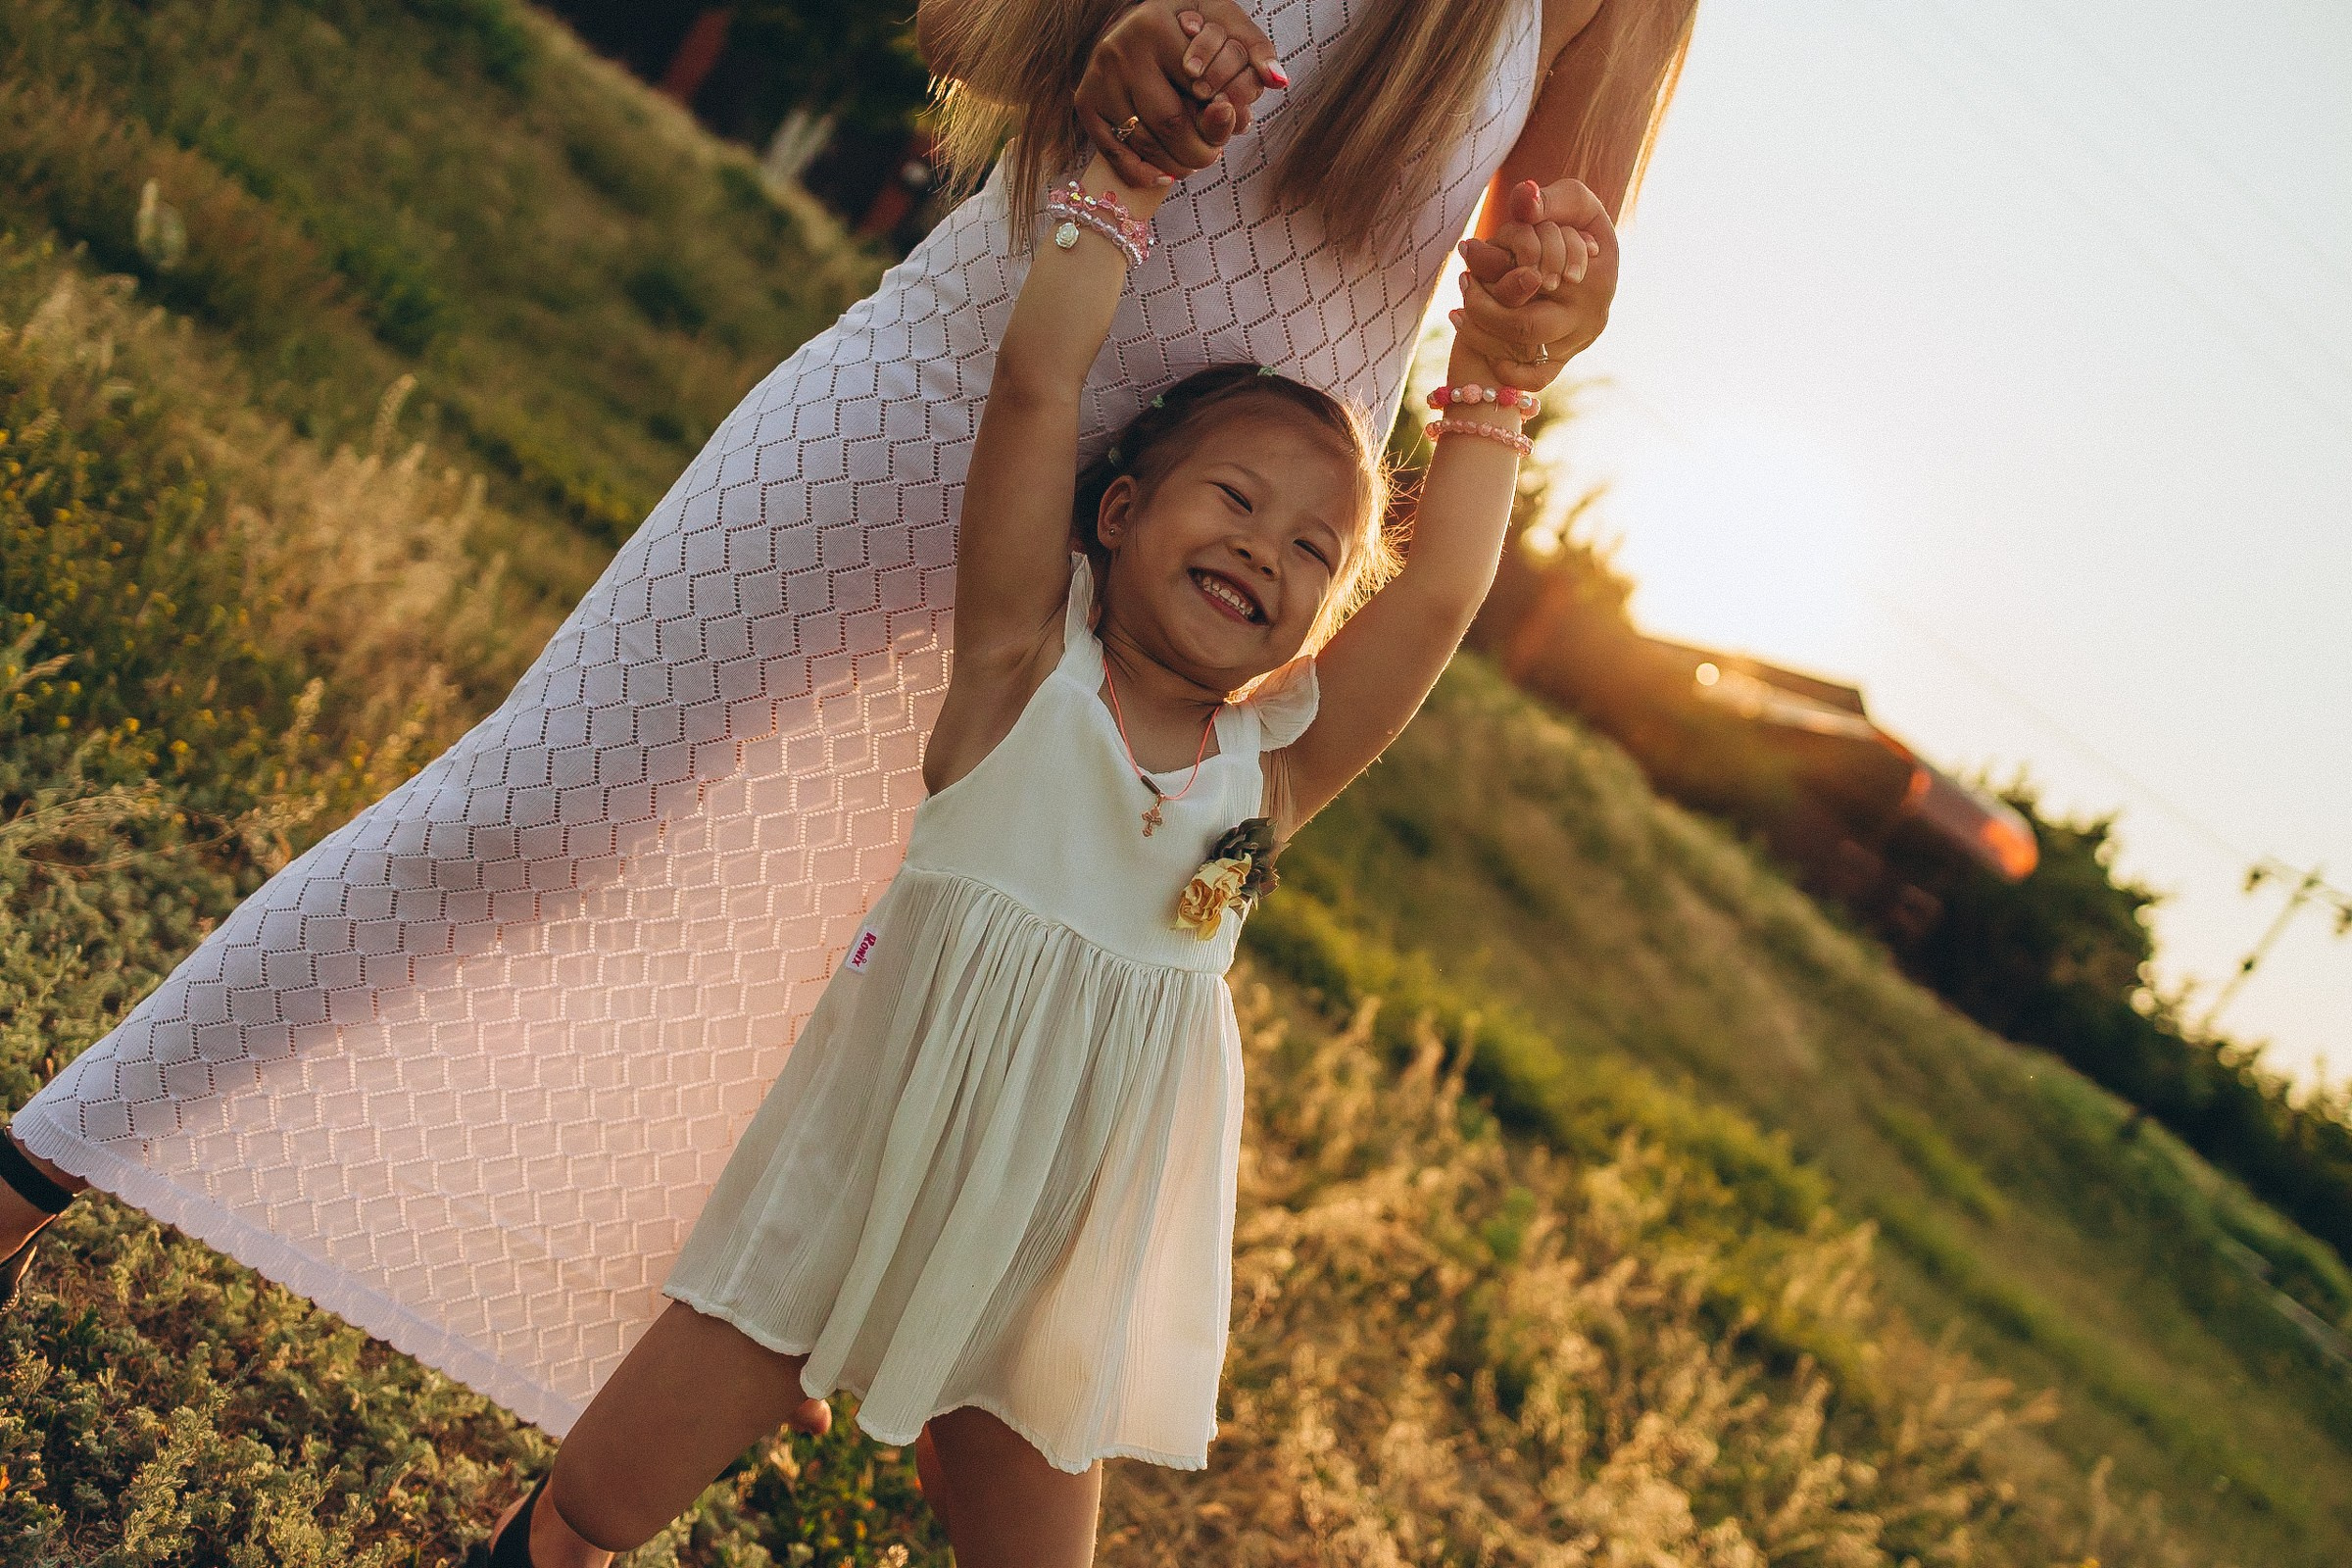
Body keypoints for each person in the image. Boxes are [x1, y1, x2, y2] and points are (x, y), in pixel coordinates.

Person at [0, 0, 1689, 1462]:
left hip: (1209, 549)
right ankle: (36, 1169)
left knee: (868, 1029)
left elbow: (1542, 269)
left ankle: (575, 1508)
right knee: (534, 816)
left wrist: (1562, 285)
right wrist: (1104, 53)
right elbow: (983, 32)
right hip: (957, 384)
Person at [472, 136, 1597, 1566]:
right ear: (1119, 516)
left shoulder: (1267, 780)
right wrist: (1114, 203)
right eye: (1237, 501)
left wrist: (1499, 382)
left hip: (1052, 1265)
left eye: (1317, 549)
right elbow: (1037, 388)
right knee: (601, 1500)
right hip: (845, 1187)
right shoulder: (1019, 672)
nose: (1270, 549)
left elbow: (1437, 598)